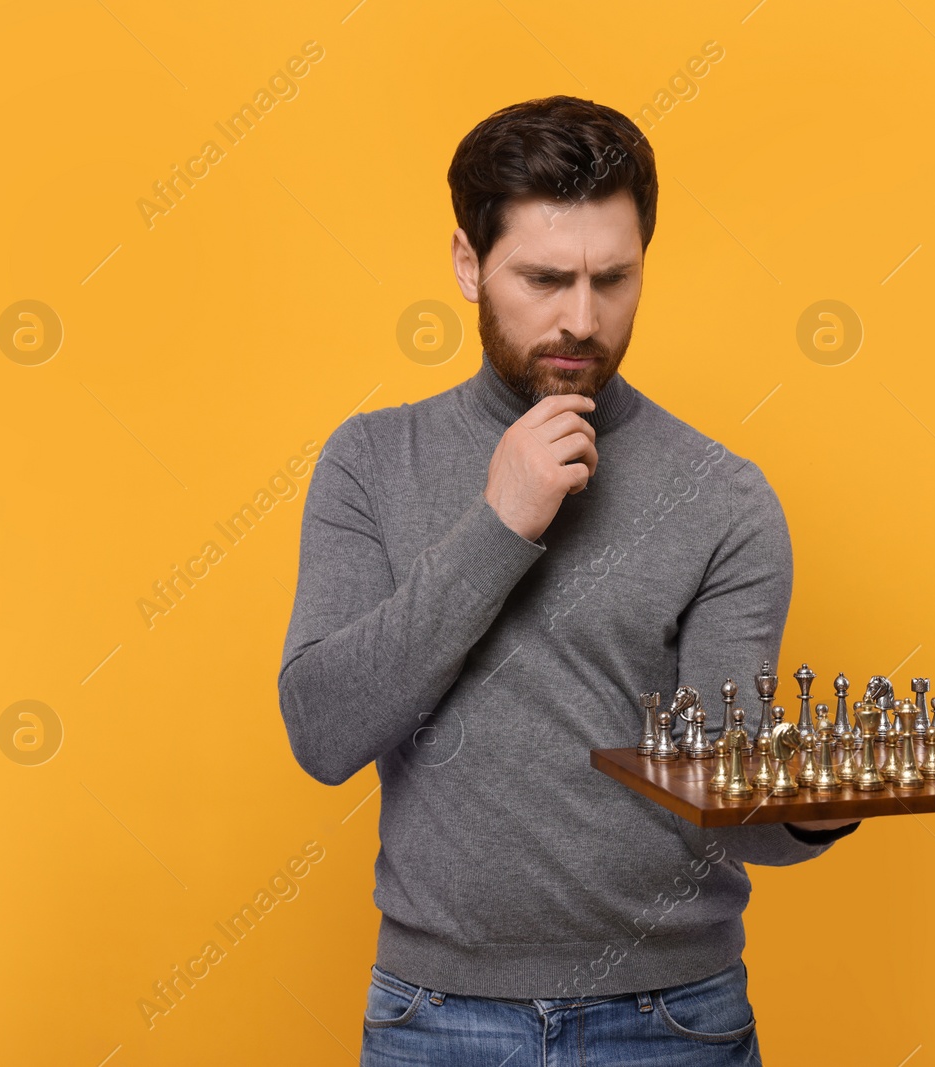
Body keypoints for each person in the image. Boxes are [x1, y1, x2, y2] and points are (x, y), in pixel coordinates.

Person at [277, 94, 860, 1066]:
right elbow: (324, 730)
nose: (581, 320)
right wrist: (499, 521)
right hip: (438, 1018)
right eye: (544, 278)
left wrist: (809, 809)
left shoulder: (723, 497)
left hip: (673, 1018)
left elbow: (725, 792)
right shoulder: (370, 462)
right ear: (467, 265)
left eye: (612, 279)